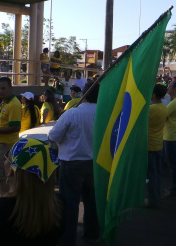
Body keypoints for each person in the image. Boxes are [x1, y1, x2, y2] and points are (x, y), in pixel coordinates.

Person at [48, 83, 101, 246]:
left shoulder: (71, 114)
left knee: (69, 203)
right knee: (92, 201)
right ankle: (92, 234)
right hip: (95, 164)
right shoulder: (103, 113)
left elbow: (54, 136)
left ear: (83, 94)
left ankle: (68, 239)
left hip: (72, 164)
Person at [147, 84, 167, 208]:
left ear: (153, 94)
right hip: (158, 143)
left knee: (151, 175)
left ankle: (154, 200)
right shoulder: (164, 107)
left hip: (149, 145)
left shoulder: (151, 109)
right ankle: (157, 196)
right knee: (156, 174)